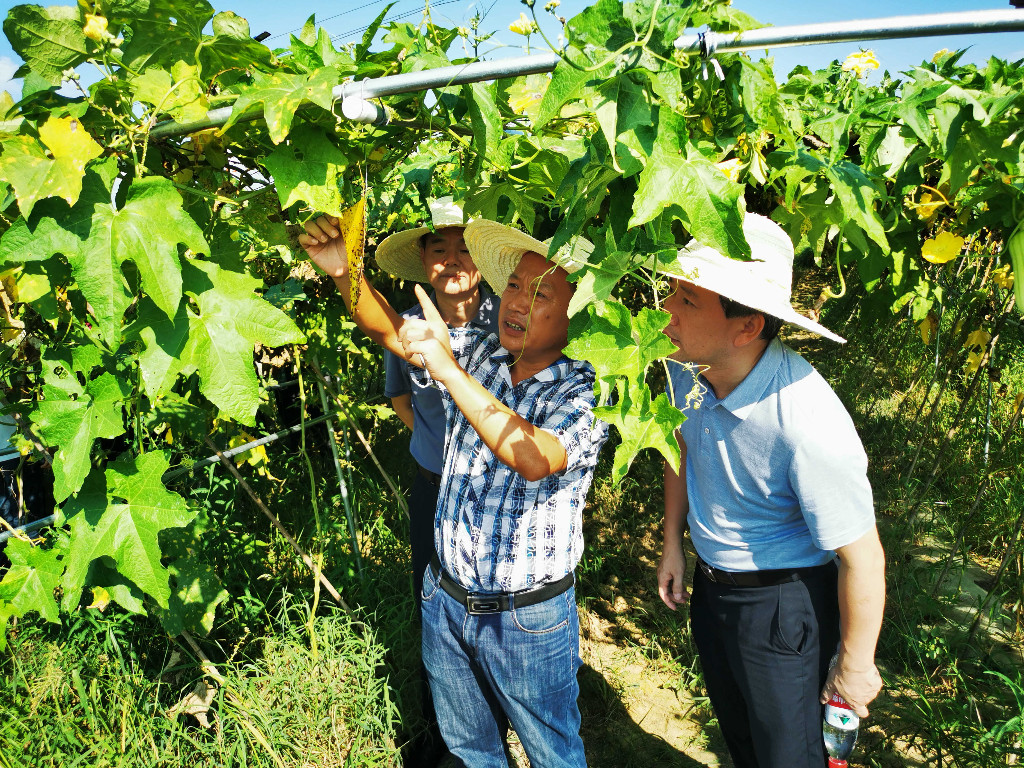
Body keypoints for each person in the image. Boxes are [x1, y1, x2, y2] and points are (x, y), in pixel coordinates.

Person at [300, 214, 608, 768]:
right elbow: (393, 331)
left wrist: (448, 369)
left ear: (575, 310)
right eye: (513, 284)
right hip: (447, 600)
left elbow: (532, 457)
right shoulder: (486, 353)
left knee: (553, 754)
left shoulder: (587, 390)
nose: (516, 300)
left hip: (527, 620)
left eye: (539, 292)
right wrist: (346, 275)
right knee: (470, 751)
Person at [655, 214, 886, 768]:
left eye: (687, 299)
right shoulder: (686, 369)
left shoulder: (807, 423)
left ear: (747, 326)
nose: (666, 308)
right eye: (673, 290)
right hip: (714, 592)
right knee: (741, 737)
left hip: (783, 608)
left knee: (790, 756)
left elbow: (864, 559)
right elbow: (678, 446)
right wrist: (672, 542)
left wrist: (855, 667)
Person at [375, 197, 500, 766]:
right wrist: (435, 445)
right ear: (423, 260)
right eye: (439, 248)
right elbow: (401, 399)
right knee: (435, 610)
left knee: (492, 611)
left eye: (464, 248)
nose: (453, 260)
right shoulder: (406, 328)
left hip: (495, 496)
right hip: (433, 489)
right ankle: (443, 735)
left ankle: (493, 726)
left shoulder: (510, 320)